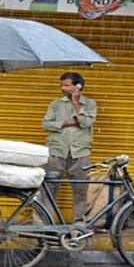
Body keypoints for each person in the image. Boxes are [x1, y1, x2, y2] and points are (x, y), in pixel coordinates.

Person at [41, 72, 97, 223]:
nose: (62, 88)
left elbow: (86, 123)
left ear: (78, 86)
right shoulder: (55, 104)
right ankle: (45, 228)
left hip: (80, 154)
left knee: (80, 193)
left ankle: (77, 230)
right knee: (48, 191)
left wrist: (76, 102)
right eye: (62, 85)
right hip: (56, 153)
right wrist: (64, 123)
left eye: (66, 85)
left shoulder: (90, 104)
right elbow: (45, 124)